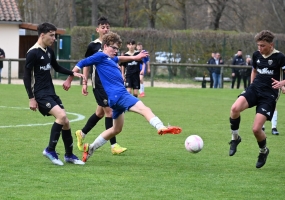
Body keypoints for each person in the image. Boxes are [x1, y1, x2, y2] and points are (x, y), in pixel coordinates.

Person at [68, 31, 182, 163]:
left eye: (117, 48)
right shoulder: (100, 56)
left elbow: (121, 58)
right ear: (105, 46)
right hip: (120, 95)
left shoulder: (110, 59)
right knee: (144, 108)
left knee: (116, 129)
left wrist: (135, 57)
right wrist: (71, 77)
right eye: (113, 47)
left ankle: (91, 148)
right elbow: (83, 62)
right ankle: (160, 127)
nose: (116, 51)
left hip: (114, 99)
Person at [228, 30, 285, 168]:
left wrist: (281, 84)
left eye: (263, 45)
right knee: (234, 108)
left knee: (256, 129)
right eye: (258, 45)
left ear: (271, 44)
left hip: (269, 95)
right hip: (255, 89)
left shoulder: (279, 57)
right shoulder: (256, 55)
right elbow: (254, 70)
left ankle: (263, 151)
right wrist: (251, 86)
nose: (260, 48)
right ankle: (235, 138)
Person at [23, 22, 85, 166]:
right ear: (42, 35)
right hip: (40, 94)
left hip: (51, 92)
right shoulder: (33, 53)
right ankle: (50, 149)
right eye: (51, 35)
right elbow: (26, 76)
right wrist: (31, 98)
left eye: (55, 35)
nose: (54, 38)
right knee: (61, 116)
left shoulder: (49, 51)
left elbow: (56, 67)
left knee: (66, 122)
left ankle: (69, 155)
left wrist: (72, 73)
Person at [63, 17, 127, 155]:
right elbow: (86, 63)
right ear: (97, 29)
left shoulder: (113, 45)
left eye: (108, 26)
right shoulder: (93, 46)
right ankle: (114, 145)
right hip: (99, 84)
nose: (106, 29)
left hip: (111, 85)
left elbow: (115, 62)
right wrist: (84, 82)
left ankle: (82, 132)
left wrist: (120, 75)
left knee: (100, 113)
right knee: (109, 112)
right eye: (103, 27)